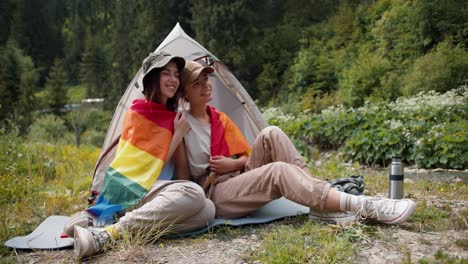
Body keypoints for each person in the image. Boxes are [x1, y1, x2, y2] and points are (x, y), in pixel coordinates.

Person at [173, 60, 416, 224]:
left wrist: (232, 164)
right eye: (197, 83)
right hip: (216, 191)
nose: (206, 85)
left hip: (236, 176)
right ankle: (363, 205)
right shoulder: (182, 124)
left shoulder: (219, 118)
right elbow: (184, 177)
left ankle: (321, 203)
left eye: (207, 79)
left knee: (271, 132)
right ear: (184, 93)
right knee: (277, 171)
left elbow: (244, 158)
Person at [68, 52, 215, 259]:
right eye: (166, 73)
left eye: (176, 74)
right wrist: (177, 135)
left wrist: (179, 135)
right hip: (133, 190)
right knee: (193, 193)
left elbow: (182, 176)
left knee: (207, 211)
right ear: (153, 77)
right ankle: (107, 233)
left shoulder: (174, 118)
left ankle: (110, 226)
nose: (173, 80)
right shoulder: (138, 112)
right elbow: (142, 167)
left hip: (156, 195)